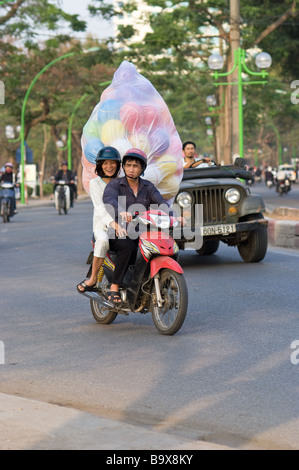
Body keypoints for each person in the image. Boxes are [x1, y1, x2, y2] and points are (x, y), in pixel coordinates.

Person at [103, 148, 183, 304]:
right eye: (128, 165)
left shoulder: (148, 187)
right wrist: (122, 212)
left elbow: (162, 204)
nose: (131, 169)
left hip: (144, 230)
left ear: (142, 169)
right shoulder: (114, 185)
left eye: (135, 166)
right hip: (119, 230)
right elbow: (109, 200)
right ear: (123, 167)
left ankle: (156, 280)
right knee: (129, 247)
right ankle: (114, 286)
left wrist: (174, 217)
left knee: (167, 243)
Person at [77, 147, 126, 294]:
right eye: (105, 163)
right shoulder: (95, 183)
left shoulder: (122, 182)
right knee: (103, 241)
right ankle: (92, 279)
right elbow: (100, 207)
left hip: (123, 225)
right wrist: (113, 224)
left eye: (113, 163)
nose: (109, 166)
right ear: (100, 165)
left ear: (118, 165)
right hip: (102, 226)